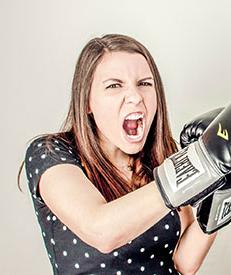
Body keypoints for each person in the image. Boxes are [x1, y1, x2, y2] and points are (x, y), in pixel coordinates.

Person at [21, 34, 219, 275]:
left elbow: (183, 263)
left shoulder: (163, 155)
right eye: (114, 85)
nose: (136, 96)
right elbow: (101, 230)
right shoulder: (51, 153)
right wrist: (197, 165)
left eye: (145, 83)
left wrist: (225, 191)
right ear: (87, 103)